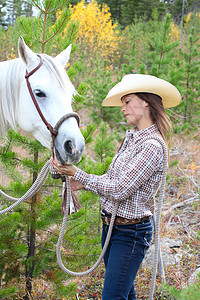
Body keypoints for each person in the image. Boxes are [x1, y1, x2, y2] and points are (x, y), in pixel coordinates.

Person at [51, 74, 181, 300]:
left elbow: (120, 189)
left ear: (146, 102)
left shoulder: (152, 146)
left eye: (127, 101)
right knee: (123, 293)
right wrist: (79, 182)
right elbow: (113, 178)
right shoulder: (132, 138)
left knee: (113, 295)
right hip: (112, 227)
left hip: (130, 233)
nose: (123, 108)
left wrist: (79, 173)